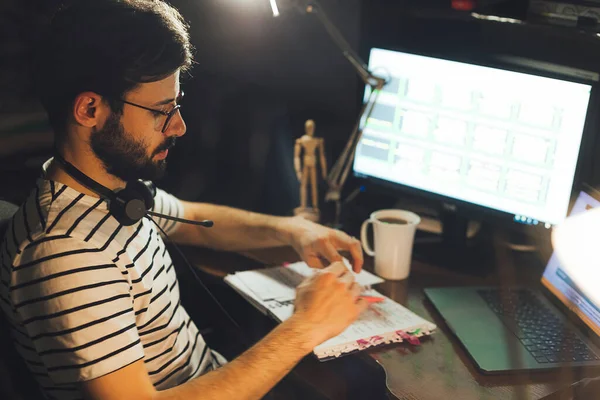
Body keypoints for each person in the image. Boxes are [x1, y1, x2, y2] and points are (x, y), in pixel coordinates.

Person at [0, 1, 368, 399]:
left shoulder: (111, 192)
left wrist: (294, 230)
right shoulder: (67, 254)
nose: (179, 126)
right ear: (91, 109)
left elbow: (192, 216)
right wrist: (305, 327)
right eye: (162, 111)